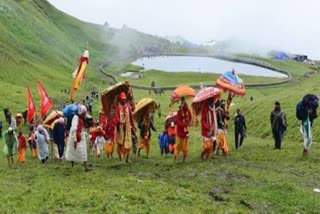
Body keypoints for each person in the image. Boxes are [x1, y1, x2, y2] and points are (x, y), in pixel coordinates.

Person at [65, 105, 91, 171]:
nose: (84, 114)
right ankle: (72, 164)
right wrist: (75, 139)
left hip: (81, 136)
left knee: (83, 151)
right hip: (74, 136)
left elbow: (85, 126)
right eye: (83, 113)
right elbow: (74, 128)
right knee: (72, 150)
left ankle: (86, 167)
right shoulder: (75, 118)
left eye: (85, 113)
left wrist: (89, 121)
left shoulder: (82, 118)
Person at [113, 91, 136, 163]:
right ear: (120, 99)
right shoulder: (117, 107)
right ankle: (120, 158)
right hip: (120, 129)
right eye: (122, 99)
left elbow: (131, 116)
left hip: (127, 128)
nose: (123, 100)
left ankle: (127, 158)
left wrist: (133, 125)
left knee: (129, 143)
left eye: (124, 99)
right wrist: (120, 121)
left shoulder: (128, 106)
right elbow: (115, 117)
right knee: (119, 144)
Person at [174, 97, 192, 162]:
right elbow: (178, 122)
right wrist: (186, 124)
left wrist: (189, 122)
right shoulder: (179, 112)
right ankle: (175, 158)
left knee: (185, 147)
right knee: (178, 146)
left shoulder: (187, 111)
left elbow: (190, 117)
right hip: (180, 133)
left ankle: (184, 159)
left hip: (186, 132)